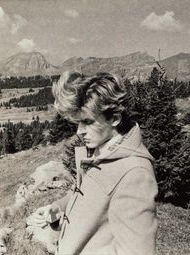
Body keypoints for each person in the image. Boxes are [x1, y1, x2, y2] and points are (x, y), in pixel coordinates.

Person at [30, 72, 158, 255]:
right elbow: (90, 198)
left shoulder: (135, 174)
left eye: (87, 122)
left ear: (114, 118)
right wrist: (58, 207)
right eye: (78, 122)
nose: (80, 132)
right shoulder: (103, 153)